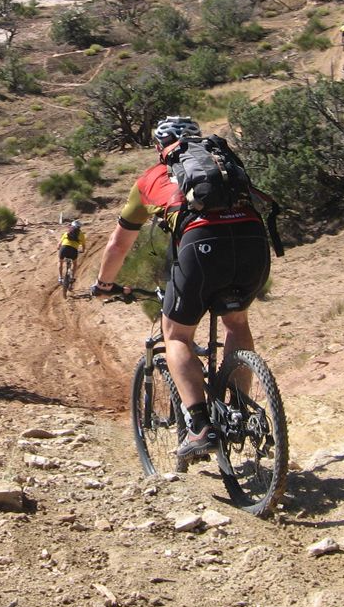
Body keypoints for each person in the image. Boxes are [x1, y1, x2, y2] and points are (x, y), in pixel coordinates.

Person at [91, 116, 271, 458]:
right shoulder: (223, 168)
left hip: (202, 245)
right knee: (236, 322)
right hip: (252, 242)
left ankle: (200, 426)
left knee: (176, 334)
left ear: (161, 147)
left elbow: (118, 244)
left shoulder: (151, 179)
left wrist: (104, 284)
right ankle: (240, 409)